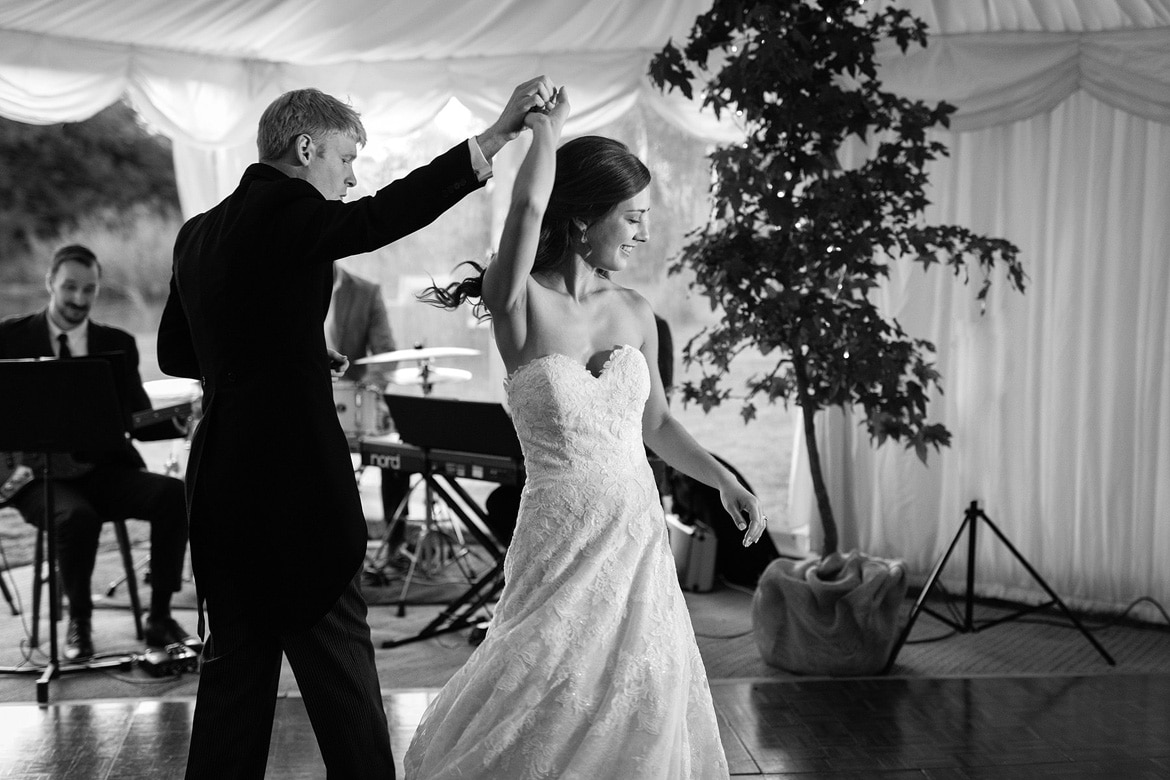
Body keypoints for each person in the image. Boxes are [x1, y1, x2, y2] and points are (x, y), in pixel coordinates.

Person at [156, 79, 552, 780]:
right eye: (344, 156)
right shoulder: (292, 211)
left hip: (219, 486)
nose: (350, 174)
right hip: (296, 490)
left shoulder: (199, 233)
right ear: (305, 147)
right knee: (344, 691)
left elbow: (178, 354)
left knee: (232, 696)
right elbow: (381, 216)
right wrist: (491, 139)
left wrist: (297, 349)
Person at [406, 88, 767, 779]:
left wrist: (724, 480)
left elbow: (655, 422)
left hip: (635, 536)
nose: (641, 232)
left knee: (645, 689)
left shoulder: (635, 311)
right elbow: (523, 209)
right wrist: (547, 134)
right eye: (631, 217)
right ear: (579, 219)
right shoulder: (515, 304)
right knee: (545, 682)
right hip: (558, 538)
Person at [0, 244, 192, 660]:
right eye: (69, 287)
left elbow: (136, 418)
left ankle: (160, 617)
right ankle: (79, 623)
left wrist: (183, 419)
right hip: (35, 478)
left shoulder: (116, 343)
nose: (78, 300)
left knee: (173, 495)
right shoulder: (7, 338)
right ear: (49, 282)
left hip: (103, 470)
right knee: (77, 518)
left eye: (89, 290)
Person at [324, 264, 412, 529]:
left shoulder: (365, 292)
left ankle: (395, 541)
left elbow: (386, 355)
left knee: (398, 448)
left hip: (355, 401)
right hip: (304, 402)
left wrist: (367, 391)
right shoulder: (285, 287)